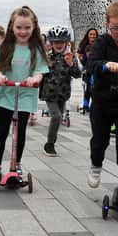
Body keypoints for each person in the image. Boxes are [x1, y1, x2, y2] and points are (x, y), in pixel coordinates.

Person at [0, 6, 49, 183]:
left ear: (34, 28)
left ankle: (17, 164)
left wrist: (34, 79)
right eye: (19, 27)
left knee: (19, 131)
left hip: (25, 94)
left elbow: (40, 71)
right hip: (7, 93)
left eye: (27, 28)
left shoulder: (35, 49)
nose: (23, 31)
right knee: (2, 131)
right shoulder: (5, 46)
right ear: (12, 27)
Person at [85, 0, 118, 188]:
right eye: (116, 28)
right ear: (108, 25)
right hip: (102, 101)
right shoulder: (102, 42)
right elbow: (91, 64)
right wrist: (105, 65)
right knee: (100, 140)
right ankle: (96, 164)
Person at [40, 26, 81, 157]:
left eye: (61, 42)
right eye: (55, 42)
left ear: (66, 42)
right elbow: (40, 72)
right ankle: (49, 144)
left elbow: (77, 74)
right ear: (51, 43)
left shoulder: (70, 57)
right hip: (49, 92)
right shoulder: (47, 57)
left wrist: (71, 64)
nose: (58, 44)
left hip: (63, 93)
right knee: (56, 116)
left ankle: (52, 139)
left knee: (58, 118)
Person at [76, 28, 98, 111]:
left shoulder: (99, 44)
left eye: (94, 34)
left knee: (93, 87)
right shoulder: (83, 44)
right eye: (90, 34)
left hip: (95, 70)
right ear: (88, 35)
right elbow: (78, 54)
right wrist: (81, 66)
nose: (92, 36)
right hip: (86, 69)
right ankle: (86, 104)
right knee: (87, 87)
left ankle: (93, 104)